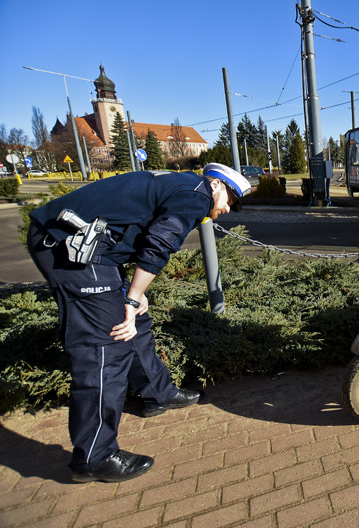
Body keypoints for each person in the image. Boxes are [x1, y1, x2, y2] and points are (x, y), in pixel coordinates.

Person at [27, 163, 251, 483]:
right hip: (70, 245)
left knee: (137, 322)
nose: (229, 208)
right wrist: (131, 299)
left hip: (89, 247)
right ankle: (95, 456)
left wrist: (135, 298)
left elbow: (139, 233)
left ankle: (156, 392)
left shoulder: (185, 186)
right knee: (106, 346)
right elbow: (159, 244)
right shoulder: (198, 194)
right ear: (215, 184)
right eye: (230, 198)